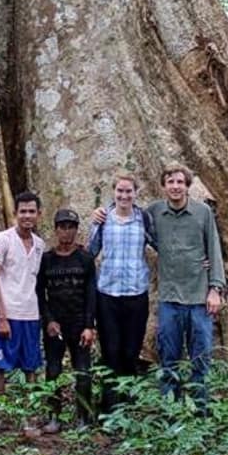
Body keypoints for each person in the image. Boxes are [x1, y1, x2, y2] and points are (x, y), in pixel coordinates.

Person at [150, 163, 225, 411]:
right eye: (170, 182)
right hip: (169, 298)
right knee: (168, 357)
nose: (175, 187)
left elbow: (213, 249)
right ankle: (170, 410)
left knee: (201, 357)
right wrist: (102, 213)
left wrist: (215, 288)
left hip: (199, 298)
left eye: (180, 182)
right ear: (163, 186)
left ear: (187, 186)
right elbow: (126, 216)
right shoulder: (154, 213)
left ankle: (199, 410)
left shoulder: (202, 212)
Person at [86, 172, 157, 412]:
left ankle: (127, 403)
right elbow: (90, 251)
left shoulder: (143, 219)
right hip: (107, 294)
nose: (124, 195)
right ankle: (107, 406)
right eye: (120, 191)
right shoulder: (103, 219)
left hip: (136, 294)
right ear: (113, 192)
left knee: (130, 350)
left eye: (129, 191)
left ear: (136, 193)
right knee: (110, 350)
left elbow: (162, 245)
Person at [36, 208, 98, 432]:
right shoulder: (47, 260)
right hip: (55, 326)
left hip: (79, 323)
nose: (66, 232)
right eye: (62, 227)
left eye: (71, 227)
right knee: (53, 371)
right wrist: (49, 320)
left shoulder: (85, 259)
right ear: (55, 230)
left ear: (76, 230)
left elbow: (92, 294)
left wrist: (89, 326)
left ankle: (84, 417)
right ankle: (54, 416)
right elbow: (39, 293)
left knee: (82, 372)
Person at [0, 191, 46, 397]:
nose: (27, 216)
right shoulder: (2, 240)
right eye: (23, 212)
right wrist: (1, 318)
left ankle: (29, 417)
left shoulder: (39, 245)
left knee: (31, 366)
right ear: (15, 213)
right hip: (5, 313)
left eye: (31, 211)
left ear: (39, 214)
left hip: (30, 314)